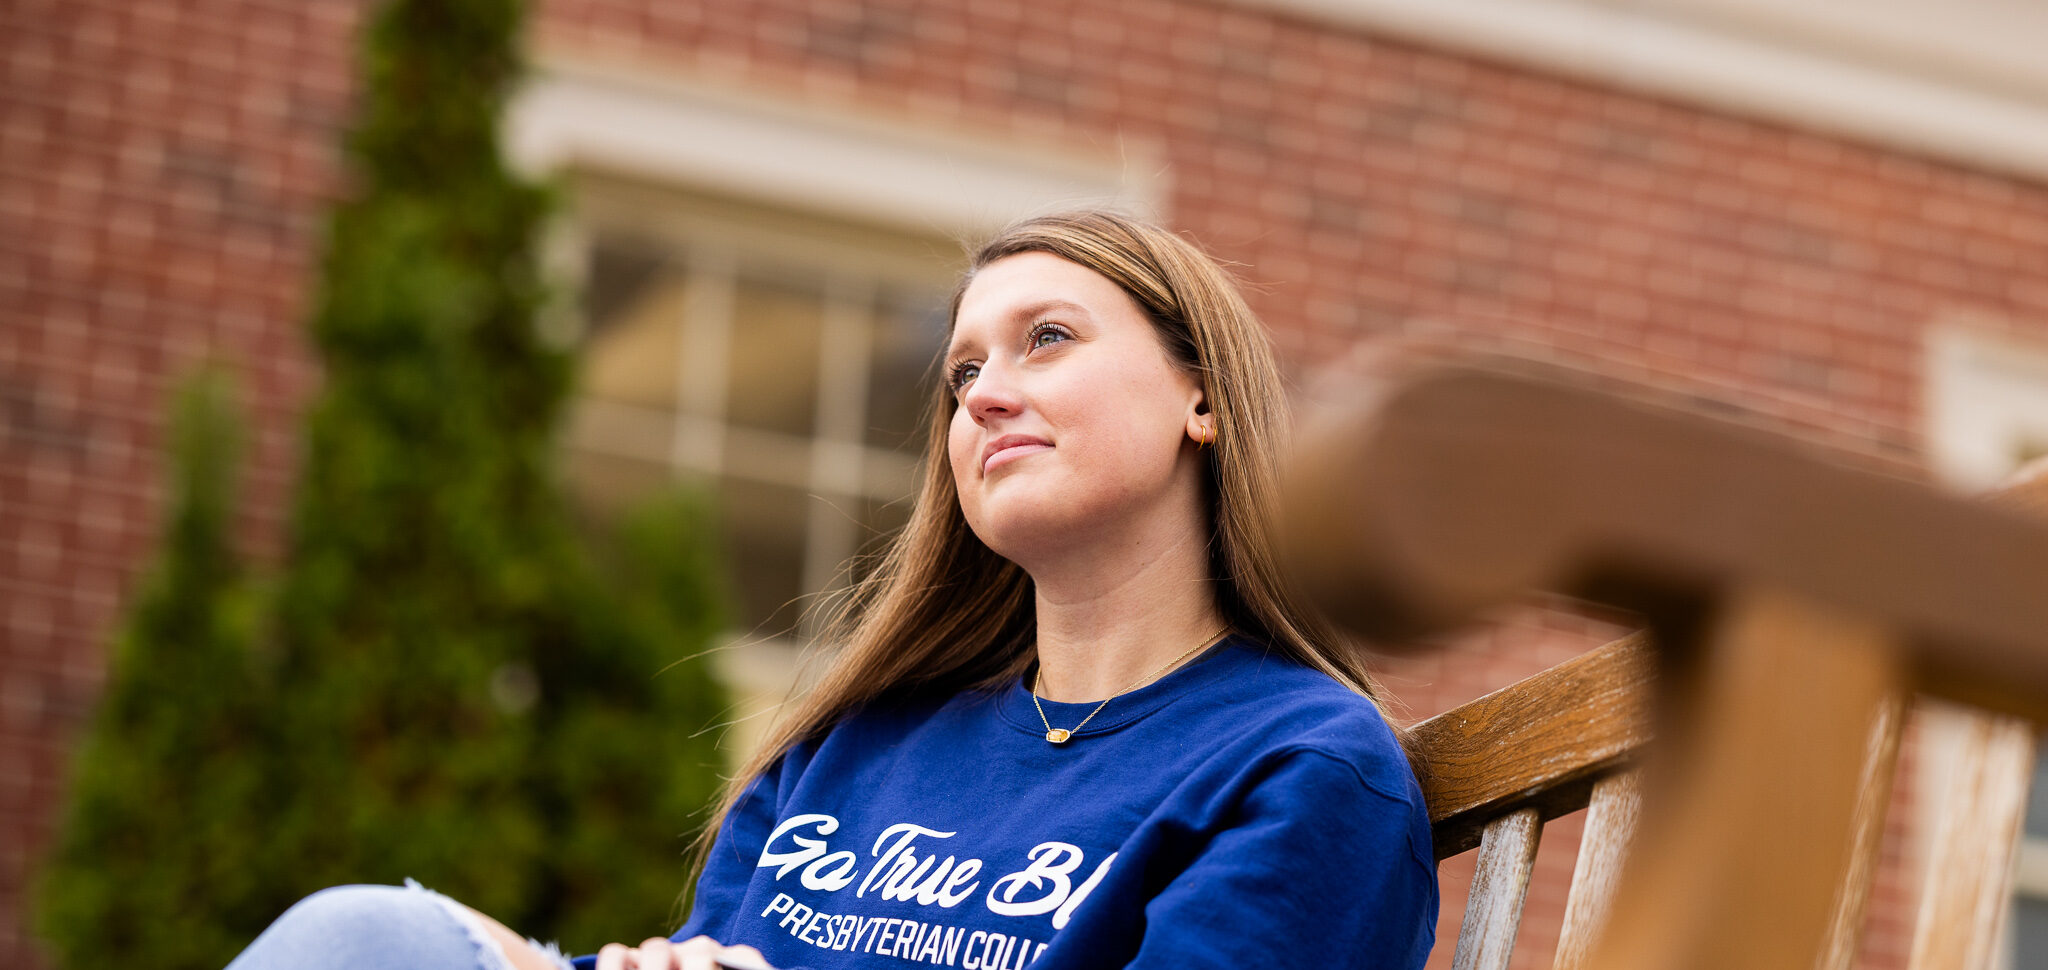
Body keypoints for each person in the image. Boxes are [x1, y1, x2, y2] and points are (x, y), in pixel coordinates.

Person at [225, 210, 1438, 970]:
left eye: (1048, 338)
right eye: (961, 369)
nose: (982, 394)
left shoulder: (1301, 766)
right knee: (362, 937)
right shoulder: (864, 742)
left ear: (1202, 398)